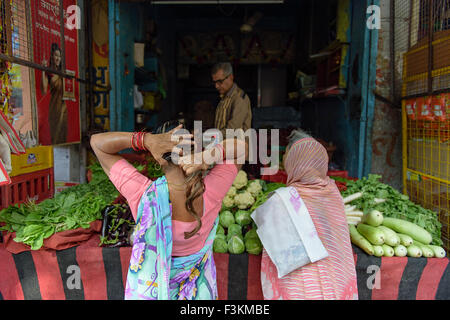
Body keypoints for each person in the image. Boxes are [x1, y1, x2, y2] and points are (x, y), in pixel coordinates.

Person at [90, 121, 248, 300]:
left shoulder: (144, 196)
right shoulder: (212, 191)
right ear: (194, 149)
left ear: (157, 157)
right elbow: (242, 147)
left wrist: (146, 140)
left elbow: (97, 143)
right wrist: (208, 156)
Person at [260, 129, 358, 300]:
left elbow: (280, 253)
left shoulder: (282, 200)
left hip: (301, 291)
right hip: (336, 284)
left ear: (294, 163)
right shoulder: (332, 193)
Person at [211, 62, 252, 136]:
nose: (216, 86)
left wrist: (208, 136)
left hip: (237, 146)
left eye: (220, 82)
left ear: (231, 77)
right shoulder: (224, 98)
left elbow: (232, 129)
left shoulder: (239, 98)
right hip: (224, 145)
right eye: (214, 82)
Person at [41, 43, 67, 145]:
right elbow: (43, 90)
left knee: (63, 136)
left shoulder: (63, 72)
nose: (58, 58)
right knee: (55, 138)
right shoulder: (49, 73)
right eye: (56, 55)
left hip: (64, 107)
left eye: (59, 56)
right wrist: (43, 70)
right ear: (51, 56)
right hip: (55, 108)